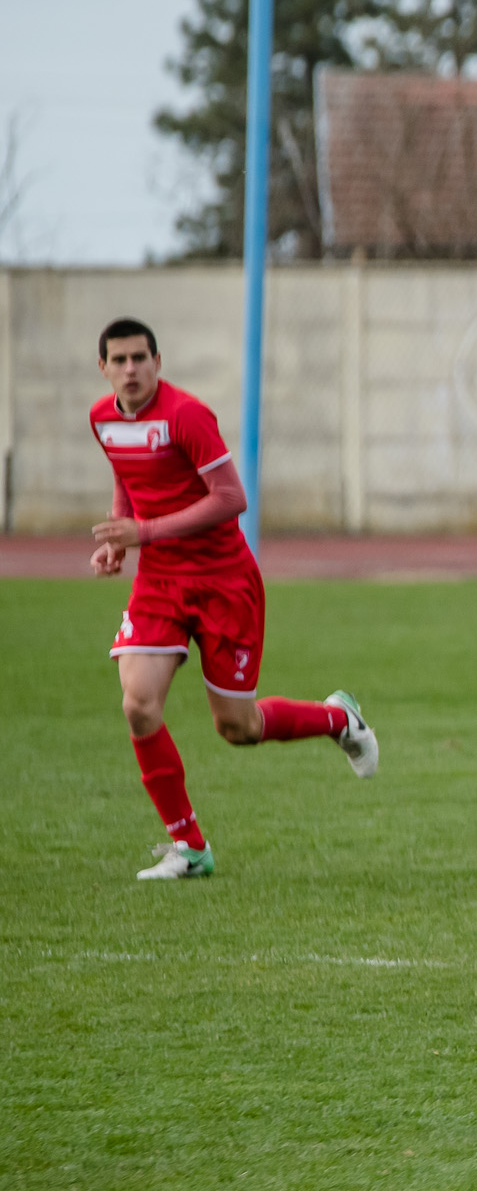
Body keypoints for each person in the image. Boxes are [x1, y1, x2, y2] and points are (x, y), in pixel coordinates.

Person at [87, 317, 379, 881]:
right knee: (138, 704)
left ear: (157, 361)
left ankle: (339, 718)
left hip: (224, 583)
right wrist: (120, 537)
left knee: (236, 728)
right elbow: (127, 477)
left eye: (139, 358)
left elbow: (231, 498)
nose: (130, 370)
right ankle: (189, 847)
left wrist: (142, 533)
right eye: (118, 360)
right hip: (159, 584)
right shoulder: (102, 419)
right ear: (103, 368)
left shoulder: (186, 415)